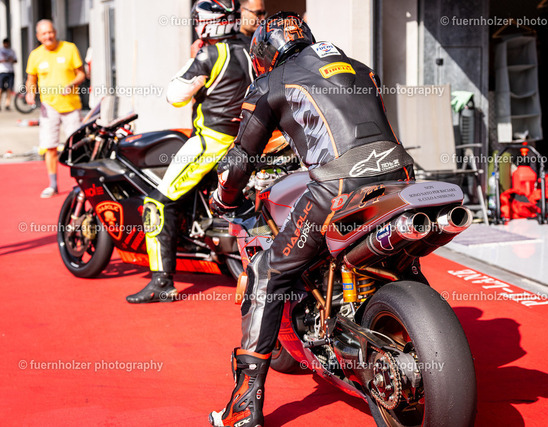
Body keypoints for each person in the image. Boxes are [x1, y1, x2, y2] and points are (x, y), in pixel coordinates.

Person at [208, 12, 415, 427]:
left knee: (267, 272)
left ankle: (244, 405)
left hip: (339, 188)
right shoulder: (360, 68)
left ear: (263, 53)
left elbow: (239, 160)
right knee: (404, 260)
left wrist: (222, 198)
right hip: (402, 180)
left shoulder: (271, 82)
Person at [125, 0, 253, 304]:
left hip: (212, 140)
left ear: (206, 23)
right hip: (248, 139)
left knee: (157, 202)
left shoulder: (210, 54)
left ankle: (161, 282)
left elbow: (176, 96)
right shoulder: (249, 47)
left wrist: (194, 58)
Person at [25, 20, 85, 198]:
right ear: (38, 36)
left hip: (71, 106)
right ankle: (53, 185)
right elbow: (31, 79)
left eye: (50, 32)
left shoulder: (69, 48)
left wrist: (72, 84)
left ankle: (81, 184)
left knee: (76, 148)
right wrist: (30, 93)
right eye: (44, 34)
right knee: (49, 147)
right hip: (48, 107)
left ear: (55, 32)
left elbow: (81, 74)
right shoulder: (35, 55)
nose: (48, 36)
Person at [0, 38, 17, 111]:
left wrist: (11, 60)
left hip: (10, 71)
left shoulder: (12, 51)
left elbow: (16, 60)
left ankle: (7, 104)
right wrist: (4, 60)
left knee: (9, 89)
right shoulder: (0, 50)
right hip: (2, 71)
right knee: (0, 89)